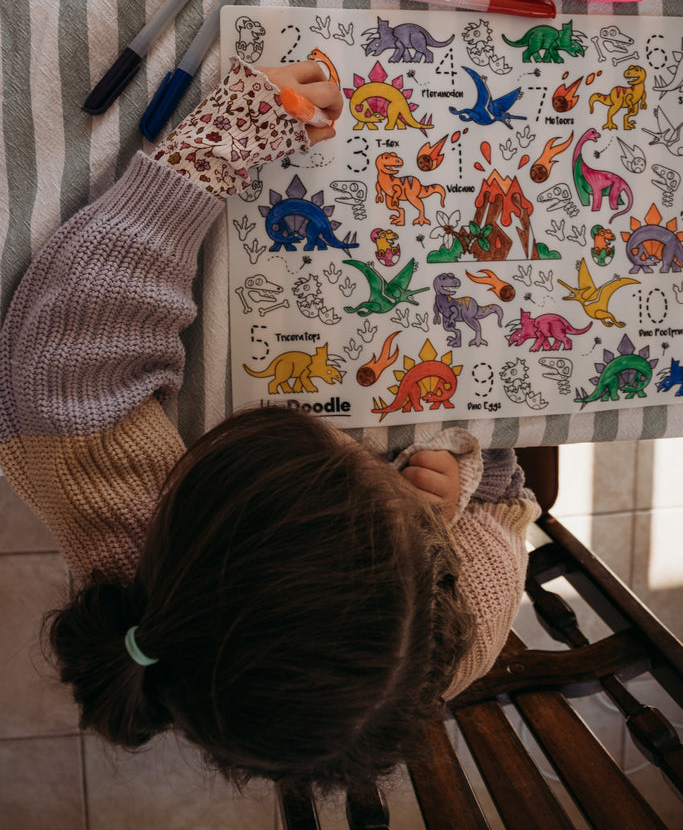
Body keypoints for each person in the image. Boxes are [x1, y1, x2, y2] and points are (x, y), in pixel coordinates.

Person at [0, 55, 539, 790]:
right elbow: (501, 497)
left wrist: (218, 145)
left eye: (318, 443)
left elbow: (79, 323)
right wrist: (449, 498)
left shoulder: (102, 487)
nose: (348, 439)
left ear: (196, 501)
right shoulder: (456, 635)